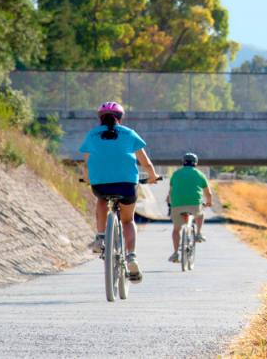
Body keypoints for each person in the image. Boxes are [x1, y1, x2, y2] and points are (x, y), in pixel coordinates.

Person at [80, 101, 160, 283]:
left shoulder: (92, 135)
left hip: (101, 183)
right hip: (126, 184)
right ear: (120, 118)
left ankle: (100, 237)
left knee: (101, 200)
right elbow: (145, 162)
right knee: (128, 220)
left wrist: (87, 179)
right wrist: (153, 176)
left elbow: (87, 163)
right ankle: (131, 256)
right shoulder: (130, 134)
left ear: (100, 118)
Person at [166, 152, 213, 263]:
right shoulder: (199, 174)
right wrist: (209, 203)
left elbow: (171, 192)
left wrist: (169, 203)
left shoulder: (176, 174)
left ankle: (175, 253)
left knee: (176, 230)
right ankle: (198, 234)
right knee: (200, 214)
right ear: (196, 163)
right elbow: (208, 194)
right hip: (195, 204)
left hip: (177, 205)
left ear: (183, 162)